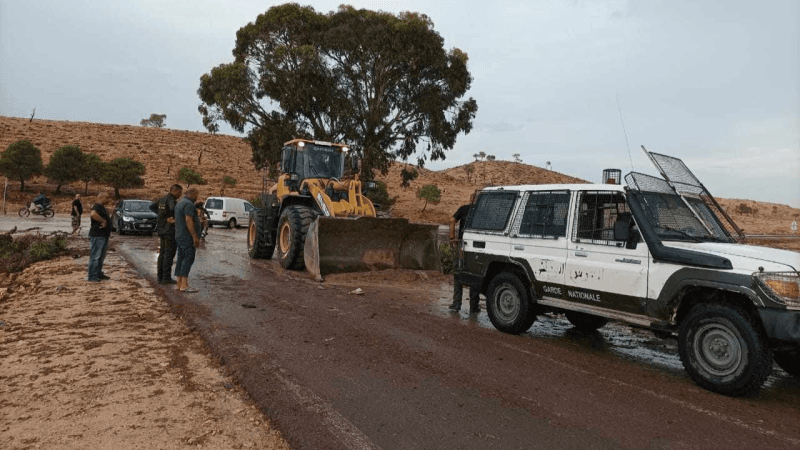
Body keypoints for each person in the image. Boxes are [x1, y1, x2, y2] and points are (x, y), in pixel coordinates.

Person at [448, 191, 480, 313]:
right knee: (475, 275)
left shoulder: (463, 209)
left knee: (458, 273)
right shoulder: (482, 211)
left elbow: (452, 220)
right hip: (476, 247)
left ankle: (456, 304)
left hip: (462, 245)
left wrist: (452, 238)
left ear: (470, 198)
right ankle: (474, 306)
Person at [150, 184, 183, 284]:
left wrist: (161, 215)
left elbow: (151, 206)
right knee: (169, 254)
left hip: (161, 229)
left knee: (162, 253)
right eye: (179, 192)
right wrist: (170, 217)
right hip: (169, 230)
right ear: (174, 191)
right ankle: (166, 278)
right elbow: (173, 209)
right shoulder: (171, 200)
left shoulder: (162, 199)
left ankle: (160, 276)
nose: (180, 195)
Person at [173, 187, 201, 293]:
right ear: (192, 193)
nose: (197, 197)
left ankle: (179, 284)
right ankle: (184, 285)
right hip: (187, 236)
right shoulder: (188, 204)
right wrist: (194, 236)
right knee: (188, 258)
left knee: (181, 258)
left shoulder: (179, 202)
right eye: (196, 194)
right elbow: (188, 220)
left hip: (179, 235)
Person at [87, 192, 112, 282]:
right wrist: (103, 221)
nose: (109, 200)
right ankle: (92, 276)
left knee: (101, 256)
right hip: (98, 235)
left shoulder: (102, 207)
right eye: (107, 198)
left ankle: (98, 273)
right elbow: (93, 214)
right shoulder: (97, 206)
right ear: (102, 197)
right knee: (96, 256)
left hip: (103, 235)